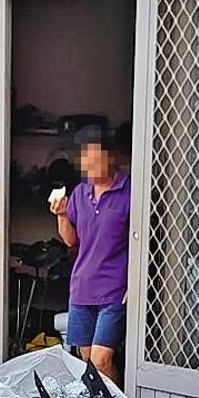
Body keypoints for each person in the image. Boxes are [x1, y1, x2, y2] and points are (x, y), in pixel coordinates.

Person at [50, 125, 130, 383]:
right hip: (82, 288)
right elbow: (70, 240)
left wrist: (136, 284)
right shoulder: (80, 193)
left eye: (96, 159)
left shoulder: (130, 192)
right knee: (86, 359)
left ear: (111, 157)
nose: (91, 166)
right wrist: (61, 215)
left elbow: (146, 242)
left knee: (101, 360)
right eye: (86, 160)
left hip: (114, 290)